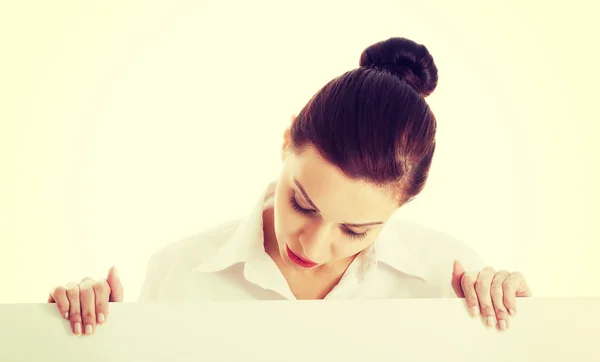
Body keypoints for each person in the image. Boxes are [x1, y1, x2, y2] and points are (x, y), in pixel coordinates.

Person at [48, 37, 532, 337]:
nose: (313, 245)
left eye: (356, 230)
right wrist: (86, 345)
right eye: (302, 203)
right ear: (285, 143)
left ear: (401, 204)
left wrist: (529, 331)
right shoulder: (179, 275)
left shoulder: (446, 280)